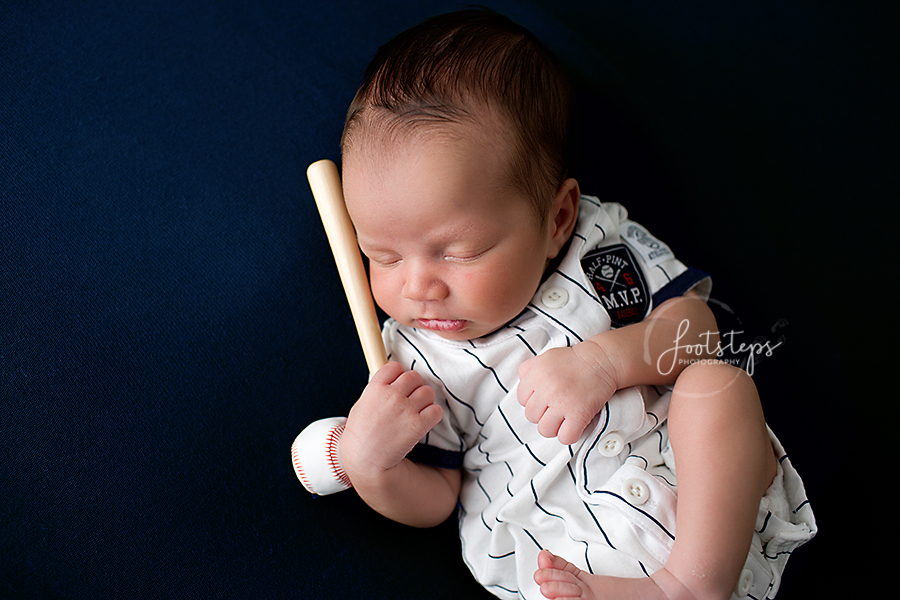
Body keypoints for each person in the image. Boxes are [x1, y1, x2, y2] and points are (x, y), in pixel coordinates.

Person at [318, 9, 815, 600]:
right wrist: (375, 468)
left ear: (556, 219)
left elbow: (697, 331)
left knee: (718, 385)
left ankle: (688, 585)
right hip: (568, 557)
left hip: (704, 512)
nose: (419, 288)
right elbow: (438, 500)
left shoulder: (596, 248)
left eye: (459, 251)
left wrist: (605, 362)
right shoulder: (412, 362)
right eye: (385, 257)